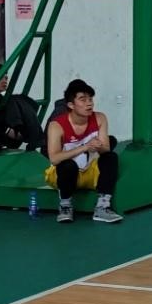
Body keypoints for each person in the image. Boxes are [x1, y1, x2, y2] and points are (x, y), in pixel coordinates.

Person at [43, 79, 123, 223]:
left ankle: (102, 207)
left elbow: (106, 149)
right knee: (67, 165)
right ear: (71, 105)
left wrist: (98, 145)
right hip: (63, 175)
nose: (89, 103)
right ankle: (65, 205)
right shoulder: (56, 125)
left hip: (90, 172)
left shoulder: (100, 118)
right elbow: (54, 159)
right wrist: (85, 147)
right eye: (83, 99)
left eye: (90, 99)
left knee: (111, 157)